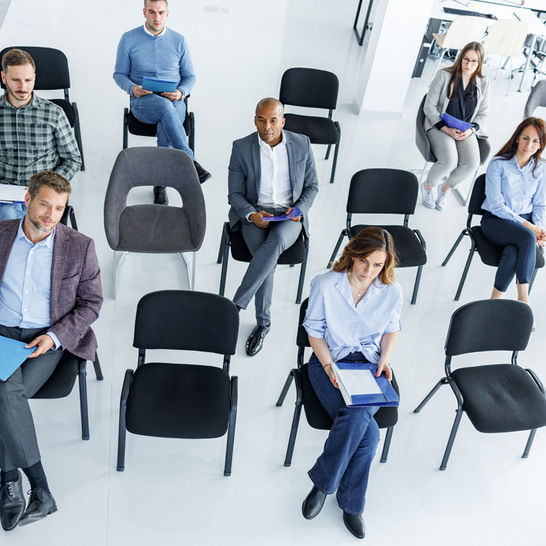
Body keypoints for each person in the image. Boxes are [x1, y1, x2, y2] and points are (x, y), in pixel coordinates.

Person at [0, 171, 102, 530]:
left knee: (3, 394)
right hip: (2, 334)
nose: (50, 214)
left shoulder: (80, 246)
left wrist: (55, 336)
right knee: (4, 394)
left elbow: (91, 305)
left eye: (59, 208)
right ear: (27, 200)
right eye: (44, 204)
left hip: (46, 340)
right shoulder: (0, 236)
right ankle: (35, 488)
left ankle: (11, 482)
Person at [301, 227, 402, 540]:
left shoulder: (391, 290)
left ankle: (323, 483)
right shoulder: (325, 284)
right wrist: (330, 366)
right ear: (352, 254)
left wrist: (385, 358)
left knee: (359, 419)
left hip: (370, 365)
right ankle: (352, 505)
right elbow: (314, 332)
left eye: (377, 265)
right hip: (328, 362)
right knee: (368, 433)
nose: (369, 271)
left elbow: (391, 328)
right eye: (364, 262)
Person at [228, 97, 319, 356]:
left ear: (282, 121)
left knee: (275, 244)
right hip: (256, 215)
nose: (267, 126)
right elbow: (234, 194)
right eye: (261, 119)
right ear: (255, 119)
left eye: (273, 120)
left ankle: (235, 307)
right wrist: (251, 214)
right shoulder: (241, 147)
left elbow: (312, 186)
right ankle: (263, 324)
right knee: (266, 262)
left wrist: (300, 208)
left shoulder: (301, 144)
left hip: (289, 217)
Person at [114, 0, 211, 205]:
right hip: (143, 102)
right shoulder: (128, 39)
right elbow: (119, 74)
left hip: (173, 101)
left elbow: (190, 76)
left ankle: (160, 184)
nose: (156, 18)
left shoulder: (179, 40)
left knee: (167, 114)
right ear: (144, 12)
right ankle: (190, 161)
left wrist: (181, 92)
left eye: (160, 13)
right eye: (151, 12)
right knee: (165, 109)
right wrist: (133, 89)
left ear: (168, 14)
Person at [0, 49, 81, 220]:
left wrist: (50, 186)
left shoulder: (54, 113)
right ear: (3, 77)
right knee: (9, 218)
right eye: (15, 80)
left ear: (34, 78)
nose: (23, 88)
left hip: (42, 192)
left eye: (28, 80)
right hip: (4, 194)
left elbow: (73, 159)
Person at [481, 117, 546, 311]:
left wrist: (540, 228)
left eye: (536, 141)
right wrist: (528, 227)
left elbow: (540, 204)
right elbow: (496, 205)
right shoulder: (498, 164)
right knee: (525, 236)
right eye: (526, 138)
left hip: (525, 224)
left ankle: (493, 303)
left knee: (513, 250)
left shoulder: (542, 168)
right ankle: (523, 302)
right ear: (517, 138)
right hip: (495, 221)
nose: (529, 145)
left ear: (541, 144)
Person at [422, 42, 489, 211]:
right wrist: (446, 129)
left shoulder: (483, 82)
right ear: (460, 58)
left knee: (472, 163)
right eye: (466, 59)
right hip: (440, 126)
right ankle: (428, 186)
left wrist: (471, 131)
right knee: (449, 161)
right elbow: (429, 107)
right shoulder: (444, 75)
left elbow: (483, 113)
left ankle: (445, 189)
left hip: (465, 129)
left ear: (480, 63)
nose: (469, 65)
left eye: (474, 61)